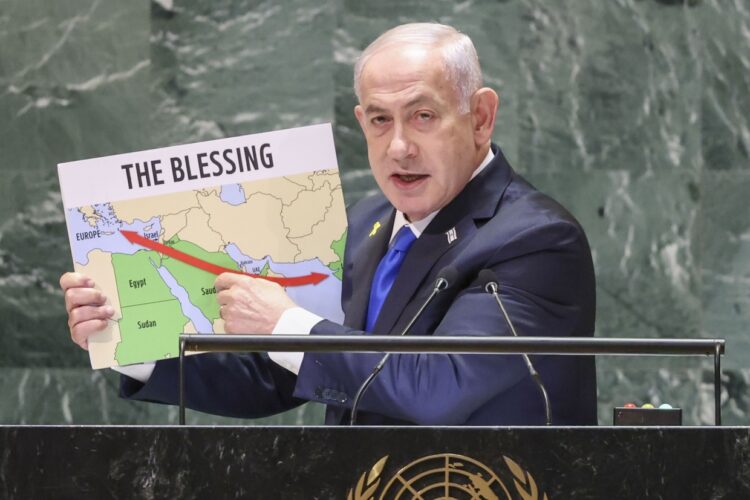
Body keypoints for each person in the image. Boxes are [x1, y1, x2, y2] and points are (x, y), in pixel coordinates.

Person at [60, 22, 597, 425]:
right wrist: (130, 342)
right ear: (361, 122)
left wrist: (285, 325)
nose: (399, 146)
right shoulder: (367, 222)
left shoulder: (535, 239)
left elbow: (441, 386)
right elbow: (278, 376)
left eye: (424, 116)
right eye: (381, 120)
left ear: (480, 117)